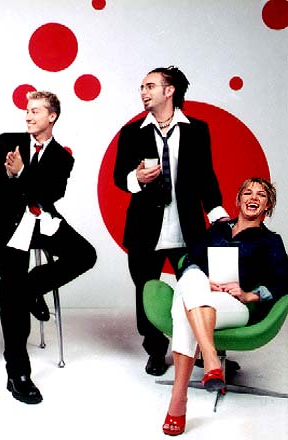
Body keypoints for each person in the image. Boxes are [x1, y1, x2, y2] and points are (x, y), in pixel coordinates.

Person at [0, 90, 97, 404]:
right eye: (27, 111)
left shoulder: (62, 156)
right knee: (12, 288)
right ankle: (17, 370)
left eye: (36, 111)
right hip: (8, 228)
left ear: (52, 116)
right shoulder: (7, 141)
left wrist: (22, 172)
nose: (29, 116)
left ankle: (33, 287)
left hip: (43, 222)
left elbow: (50, 195)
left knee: (85, 255)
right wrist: (9, 172)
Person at [113, 66, 229, 377]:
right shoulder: (131, 133)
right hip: (144, 229)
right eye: (141, 87)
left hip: (186, 228)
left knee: (198, 291)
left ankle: (204, 349)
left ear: (170, 90)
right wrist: (136, 178)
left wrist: (217, 213)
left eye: (150, 86)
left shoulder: (197, 130)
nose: (143, 92)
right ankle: (155, 350)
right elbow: (119, 177)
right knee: (146, 292)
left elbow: (206, 177)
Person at [162, 177, 288, 436]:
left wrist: (249, 294)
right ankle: (209, 363)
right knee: (193, 278)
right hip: (201, 294)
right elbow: (190, 260)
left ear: (268, 205)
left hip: (232, 305)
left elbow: (284, 280)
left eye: (261, 195)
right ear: (238, 200)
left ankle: (179, 398)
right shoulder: (218, 229)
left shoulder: (270, 240)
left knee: (184, 307)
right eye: (248, 193)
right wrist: (204, 280)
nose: (253, 198)